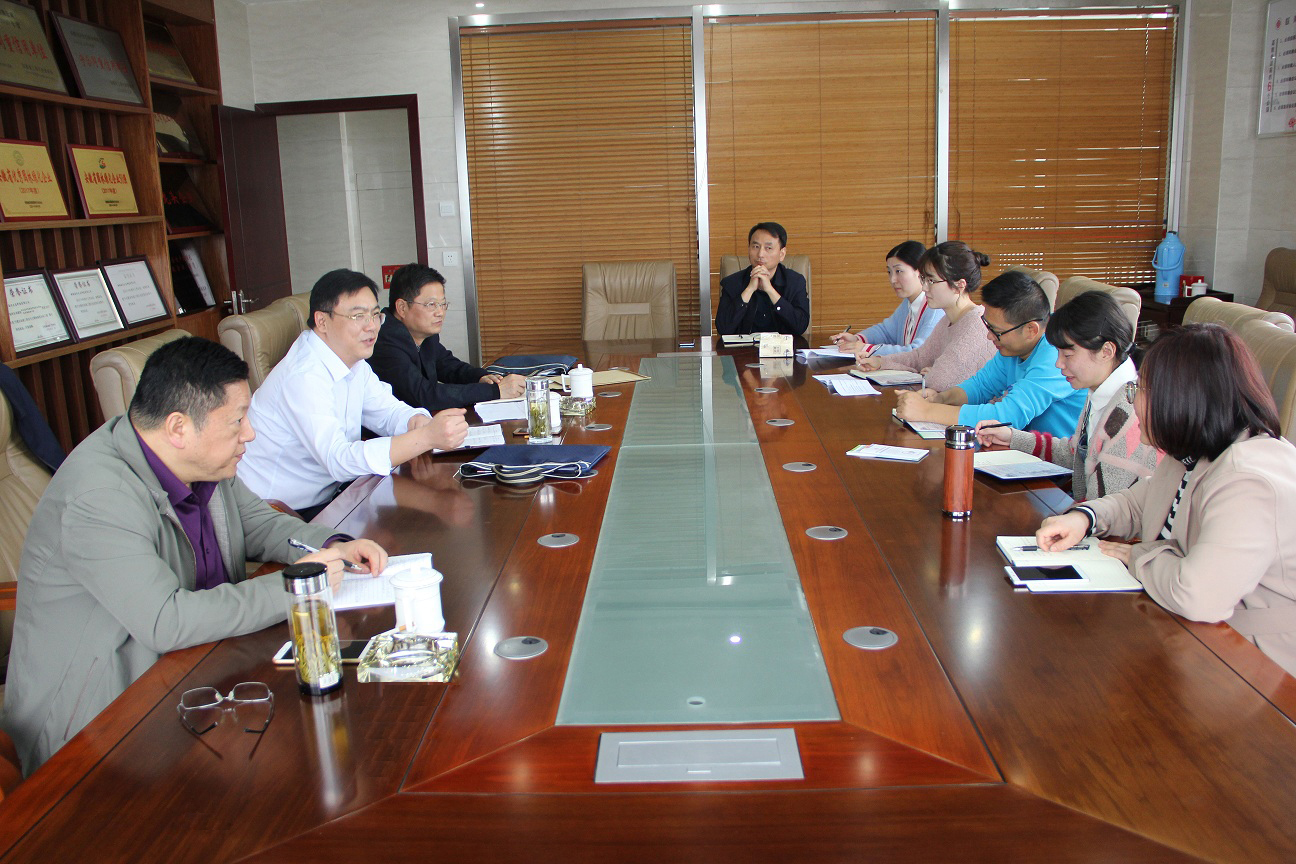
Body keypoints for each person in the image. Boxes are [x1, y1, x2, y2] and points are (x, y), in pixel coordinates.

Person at [1, 337, 389, 774]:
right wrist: (296, 586)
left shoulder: (199, 461)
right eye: (237, 420)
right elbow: (166, 621)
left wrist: (333, 543)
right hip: (102, 721)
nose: (250, 433)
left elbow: (259, 523)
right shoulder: (98, 497)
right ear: (178, 427)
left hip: (200, 670)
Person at [1035, 324, 1296, 677]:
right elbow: (1137, 503)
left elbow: (1197, 595)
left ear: (1181, 397)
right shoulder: (1195, 449)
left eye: (1140, 390)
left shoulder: (1249, 480)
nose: (1133, 402)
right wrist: (1084, 518)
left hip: (1256, 665)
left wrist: (1137, 555)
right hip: (1193, 634)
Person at [238, 269, 469, 517]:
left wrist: (419, 422)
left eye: (375, 315)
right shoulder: (303, 376)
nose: (371, 326)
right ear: (322, 321)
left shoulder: (353, 361)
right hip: (282, 511)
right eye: (358, 316)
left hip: (336, 493)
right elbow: (338, 460)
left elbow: (387, 410)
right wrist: (425, 437)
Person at [975, 290, 1160, 500]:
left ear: (1106, 351)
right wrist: (1012, 437)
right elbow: (1077, 455)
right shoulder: (1103, 389)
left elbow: (1104, 508)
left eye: (1068, 355)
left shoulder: (1128, 410)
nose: (1058, 363)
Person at [896, 269, 1085, 438]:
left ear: (1031, 330)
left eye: (996, 331)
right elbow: (981, 385)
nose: (989, 336)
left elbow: (1006, 417)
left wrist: (927, 411)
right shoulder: (1014, 348)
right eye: (987, 325)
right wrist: (942, 398)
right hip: (1019, 448)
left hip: (1053, 461)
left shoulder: (1057, 355)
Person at [369, 263, 525, 412]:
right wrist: (494, 391)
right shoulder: (384, 341)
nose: (440, 312)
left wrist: (483, 378)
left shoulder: (425, 334)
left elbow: (450, 367)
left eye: (443, 304)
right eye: (431, 304)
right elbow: (423, 395)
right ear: (402, 308)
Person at [854, 241, 996, 391]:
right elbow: (920, 357)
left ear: (959, 285)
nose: (924, 287)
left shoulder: (975, 324)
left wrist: (932, 372)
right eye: (924, 279)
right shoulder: (948, 320)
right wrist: (880, 362)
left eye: (931, 281)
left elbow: (940, 381)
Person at [830, 241, 943, 356]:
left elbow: (918, 353)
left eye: (898, 271)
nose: (892, 279)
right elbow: (886, 332)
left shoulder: (935, 308)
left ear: (920, 271)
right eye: (889, 272)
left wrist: (866, 348)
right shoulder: (908, 303)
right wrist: (857, 339)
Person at [714, 222, 810, 336]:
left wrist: (770, 290)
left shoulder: (795, 282)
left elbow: (800, 326)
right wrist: (749, 289)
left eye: (768, 248)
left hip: (783, 347)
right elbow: (723, 329)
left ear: (782, 254)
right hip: (744, 347)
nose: (760, 254)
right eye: (756, 247)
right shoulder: (732, 283)